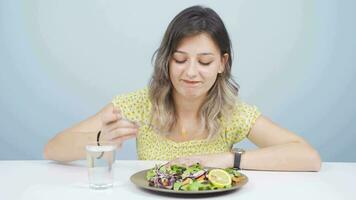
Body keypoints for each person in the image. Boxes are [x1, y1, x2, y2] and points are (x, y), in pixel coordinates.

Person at [44, 5, 321, 171]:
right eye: (180, 59)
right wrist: (100, 140)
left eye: (204, 61)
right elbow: (53, 150)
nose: (191, 72)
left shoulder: (233, 113)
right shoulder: (140, 104)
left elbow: (308, 157)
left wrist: (228, 159)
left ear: (222, 63)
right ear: (166, 61)